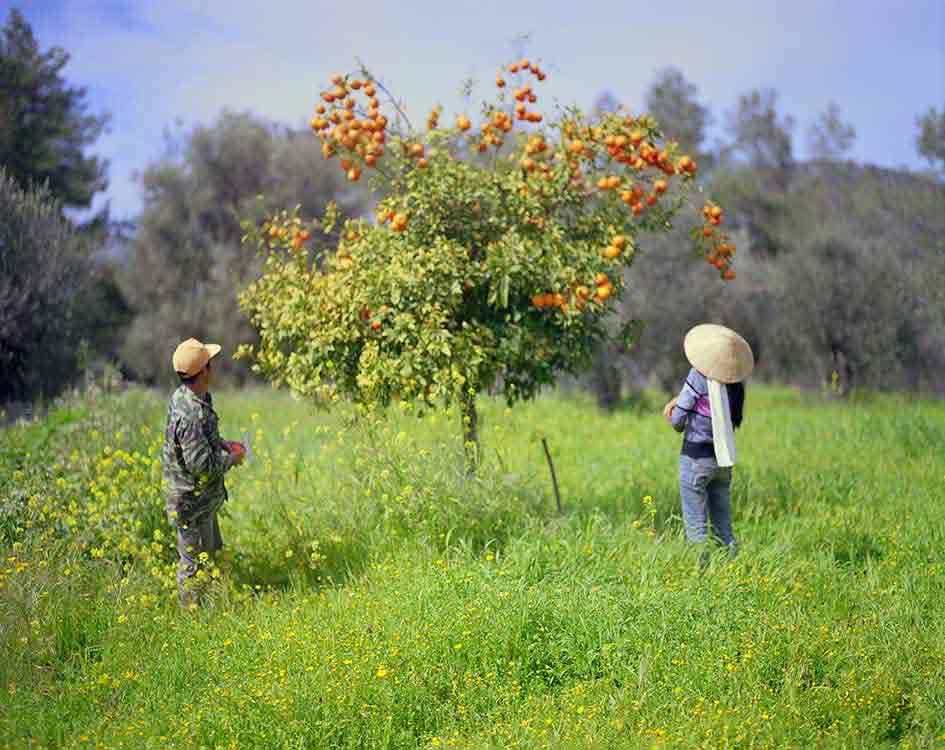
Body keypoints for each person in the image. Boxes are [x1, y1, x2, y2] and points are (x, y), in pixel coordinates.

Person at [162, 338, 245, 606]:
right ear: (205, 370)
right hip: (190, 503)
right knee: (193, 567)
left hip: (202, 499)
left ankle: (212, 607)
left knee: (211, 555)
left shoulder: (188, 397)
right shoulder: (192, 416)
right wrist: (232, 458)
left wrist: (222, 444)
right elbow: (204, 467)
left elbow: (200, 445)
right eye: (211, 363)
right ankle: (192, 621)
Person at [663, 324, 754, 566]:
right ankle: (733, 571)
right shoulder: (735, 385)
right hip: (722, 463)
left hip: (696, 460)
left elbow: (678, 421)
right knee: (725, 528)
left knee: (696, 529)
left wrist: (670, 411)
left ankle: (700, 579)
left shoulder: (698, 376)